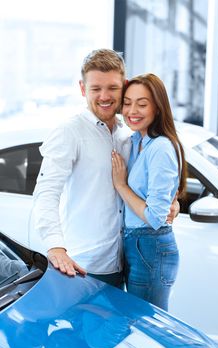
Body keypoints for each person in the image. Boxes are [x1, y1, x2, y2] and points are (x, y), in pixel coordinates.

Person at [33, 49, 179, 288]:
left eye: (112, 88)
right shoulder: (70, 132)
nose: (104, 96)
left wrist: (172, 203)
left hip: (123, 263)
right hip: (83, 266)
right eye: (96, 89)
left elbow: (146, 185)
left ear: (125, 85)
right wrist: (55, 246)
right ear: (83, 89)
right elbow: (46, 193)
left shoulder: (128, 134)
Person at [111, 73, 186, 310]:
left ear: (158, 108)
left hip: (150, 245)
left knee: (148, 326)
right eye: (127, 102)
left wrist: (121, 185)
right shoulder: (137, 140)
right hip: (137, 244)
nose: (132, 110)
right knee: (139, 323)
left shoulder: (161, 148)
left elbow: (155, 217)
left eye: (142, 104)